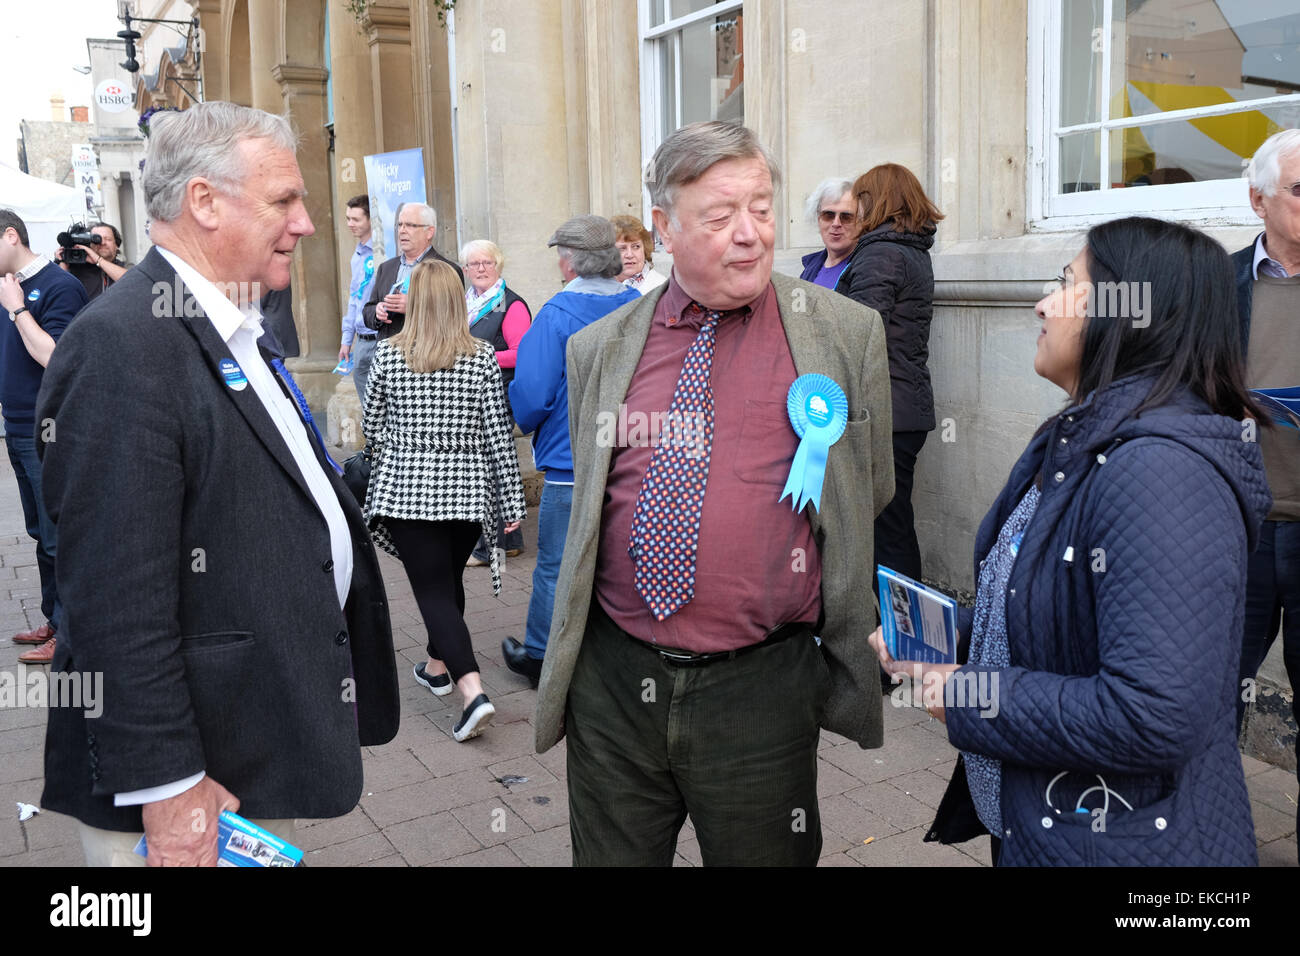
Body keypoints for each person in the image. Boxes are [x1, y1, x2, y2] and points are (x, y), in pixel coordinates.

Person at [36, 102, 400, 866]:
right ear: (203, 201)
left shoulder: (232, 323)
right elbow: (111, 600)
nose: (306, 223)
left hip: (250, 757)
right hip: (190, 793)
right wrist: (169, 790)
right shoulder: (123, 346)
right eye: (284, 201)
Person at [534, 122, 895, 866]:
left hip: (761, 691)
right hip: (613, 683)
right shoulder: (597, 349)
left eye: (762, 209)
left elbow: (869, 488)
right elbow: (599, 500)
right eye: (720, 216)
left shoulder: (843, 334)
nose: (749, 235)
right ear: (663, 227)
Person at [872, 216, 1268, 867]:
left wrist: (960, 693)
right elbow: (1062, 619)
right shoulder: (1085, 437)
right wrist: (952, 641)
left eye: (1066, 283)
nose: (1042, 303)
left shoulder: (1159, 471)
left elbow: (1150, 713)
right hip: (1054, 826)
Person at [363, 259, 527, 742]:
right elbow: (499, 433)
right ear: (457, 302)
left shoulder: (389, 355)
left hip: (408, 490)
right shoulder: (480, 357)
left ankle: (472, 691)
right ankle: (437, 666)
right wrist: (512, 501)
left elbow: (372, 429)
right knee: (446, 582)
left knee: (433, 592)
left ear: (416, 302)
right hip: (467, 490)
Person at [501, 216, 639, 686]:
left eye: (560, 251)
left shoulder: (556, 314)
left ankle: (541, 652)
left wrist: (522, 423)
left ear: (572, 260)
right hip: (629, 454)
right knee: (622, 557)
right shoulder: (638, 305)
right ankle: (616, 648)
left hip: (571, 460)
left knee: (558, 562)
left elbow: (533, 393)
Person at [1232, 128, 1300, 862]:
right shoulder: (1218, 283)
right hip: (1238, 525)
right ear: (1258, 200)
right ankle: (1208, 829)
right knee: (1216, 687)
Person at [838, 163, 943, 584]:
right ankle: (902, 631)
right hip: (905, 407)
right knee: (893, 526)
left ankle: (904, 636)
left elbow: (860, 332)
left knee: (888, 530)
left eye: (860, 199)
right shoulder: (910, 249)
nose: (854, 209)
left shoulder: (882, 253)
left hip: (887, 411)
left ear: (876, 200)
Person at [0, 209, 88, 665]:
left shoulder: (59, 286)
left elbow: (56, 357)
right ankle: (54, 619)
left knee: (59, 536)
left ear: (11, 235)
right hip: (15, 428)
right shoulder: (6, 287)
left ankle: (71, 635)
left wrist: (17, 308)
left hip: (47, 431)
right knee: (39, 533)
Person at [461, 238, 532, 565]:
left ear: (498, 266)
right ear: (465, 269)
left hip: (498, 397)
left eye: (486, 262)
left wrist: (478, 355)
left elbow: (522, 353)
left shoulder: (511, 305)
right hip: (472, 397)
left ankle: (489, 548)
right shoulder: (467, 302)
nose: (480, 268)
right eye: (473, 264)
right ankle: (511, 540)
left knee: (486, 470)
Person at [362, 202, 463, 340]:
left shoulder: (448, 270)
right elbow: (368, 311)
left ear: (429, 232)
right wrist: (377, 312)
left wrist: (415, 306)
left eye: (410, 225)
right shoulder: (386, 268)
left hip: (428, 356)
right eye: (400, 225)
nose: (402, 230)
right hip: (389, 356)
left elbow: (454, 318)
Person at [337, 194, 378, 404]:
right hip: (361, 340)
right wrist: (347, 340)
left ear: (370, 220)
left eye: (356, 219)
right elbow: (354, 299)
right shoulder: (358, 255)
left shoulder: (383, 253)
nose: (350, 224)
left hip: (381, 337)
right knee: (367, 404)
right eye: (348, 218)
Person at [798, 178, 860, 290]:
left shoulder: (865, 269)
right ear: (818, 219)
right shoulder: (810, 268)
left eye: (846, 217)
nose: (836, 223)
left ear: (860, 222)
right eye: (828, 215)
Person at [58, 221, 129, 299]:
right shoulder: (77, 268)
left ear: (116, 245)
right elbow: (60, 293)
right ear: (89, 244)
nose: (102, 243)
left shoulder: (125, 267)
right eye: (96, 239)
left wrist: (98, 260)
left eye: (108, 239)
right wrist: (63, 261)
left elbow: (131, 280)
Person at [611, 215, 667, 295]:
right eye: (622, 248)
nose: (629, 255)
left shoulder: (660, 287)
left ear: (645, 248)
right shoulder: (598, 285)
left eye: (636, 247)